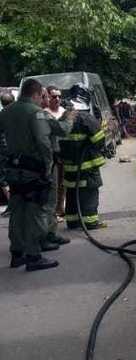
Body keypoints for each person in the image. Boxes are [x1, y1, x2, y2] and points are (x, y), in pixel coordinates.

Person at [0, 79, 60, 270]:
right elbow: (43, 142)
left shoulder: (5, 112)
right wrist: (48, 167)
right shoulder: (35, 113)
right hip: (33, 170)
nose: (42, 99)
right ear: (34, 94)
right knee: (34, 211)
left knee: (17, 211)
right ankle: (33, 256)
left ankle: (17, 254)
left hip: (13, 169)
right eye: (41, 95)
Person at [59, 95, 107, 230]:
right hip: (87, 166)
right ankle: (90, 222)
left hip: (69, 166)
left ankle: (72, 221)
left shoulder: (62, 120)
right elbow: (99, 141)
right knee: (89, 193)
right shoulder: (86, 118)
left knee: (72, 193)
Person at [44, 86, 67, 222]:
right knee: (53, 183)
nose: (57, 99)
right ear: (48, 97)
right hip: (51, 153)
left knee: (64, 182)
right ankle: (52, 212)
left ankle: (60, 208)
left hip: (64, 153)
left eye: (59, 96)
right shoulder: (44, 113)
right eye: (53, 96)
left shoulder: (64, 112)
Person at [0, 92, 15, 217]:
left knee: (3, 179)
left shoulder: (2, 116)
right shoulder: (20, 115)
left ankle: (12, 206)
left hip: (3, 152)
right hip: (17, 151)